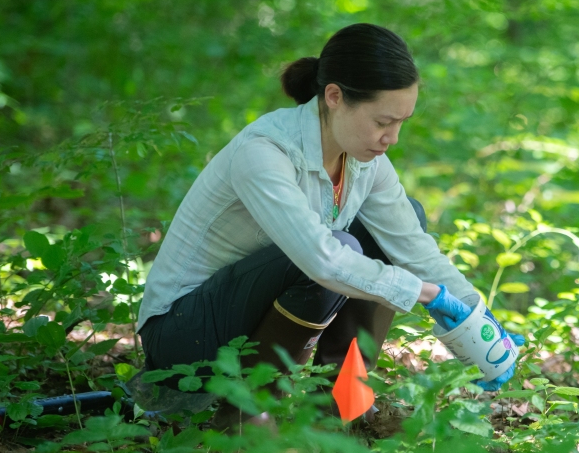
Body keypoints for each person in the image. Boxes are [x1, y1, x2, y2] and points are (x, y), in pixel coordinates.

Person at [136, 23, 521, 428]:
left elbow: (413, 247)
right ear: (334, 97)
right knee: (337, 252)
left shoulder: (364, 160)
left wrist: (481, 323)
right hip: (183, 335)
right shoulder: (264, 152)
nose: (392, 137)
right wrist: (425, 294)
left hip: (248, 319)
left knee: (403, 219)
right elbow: (323, 261)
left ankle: (340, 407)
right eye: (382, 122)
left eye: (401, 122)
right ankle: (247, 419)